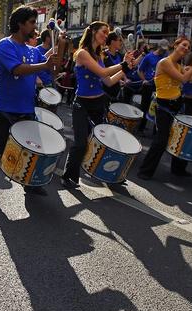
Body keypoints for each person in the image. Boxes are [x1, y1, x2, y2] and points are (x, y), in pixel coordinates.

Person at [0, 6, 56, 203]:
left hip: (27, 109)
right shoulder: (6, 45)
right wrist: (45, 64)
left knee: (33, 149)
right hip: (6, 109)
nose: (33, 26)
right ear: (20, 24)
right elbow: (19, 69)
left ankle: (31, 185)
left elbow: (51, 66)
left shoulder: (32, 50)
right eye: (31, 22)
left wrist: (60, 45)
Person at [59, 21, 133, 189]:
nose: (106, 36)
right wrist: (123, 64)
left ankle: (110, 174)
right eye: (104, 32)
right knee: (80, 143)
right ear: (93, 31)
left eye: (108, 33)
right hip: (82, 103)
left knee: (106, 140)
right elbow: (102, 72)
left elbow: (107, 81)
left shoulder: (99, 55)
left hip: (98, 103)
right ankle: (68, 175)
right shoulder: (82, 53)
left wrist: (126, 69)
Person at [136, 37, 192, 180]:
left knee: (181, 137)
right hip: (163, 107)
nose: (186, 48)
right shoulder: (164, 62)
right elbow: (183, 79)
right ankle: (144, 171)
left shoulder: (179, 66)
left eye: (188, 47)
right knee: (161, 141)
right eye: (184, 45)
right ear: (175, 45)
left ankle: (178, 169)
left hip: (177, 105)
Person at [136, 39, 169, 134]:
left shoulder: (165, 58)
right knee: (145, 107)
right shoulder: (148, 57)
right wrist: (144, 80)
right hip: (148, 86)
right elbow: (140, 70)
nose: (164, 51)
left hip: (159, 87)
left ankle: (155, 131)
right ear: (159, 47)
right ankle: (140, 129)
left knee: (158, 109)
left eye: (165, 50)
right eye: (162, 49)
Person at [103, 31, 124, 101]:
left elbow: (126, 68)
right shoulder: (103, 55)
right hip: (105, 91)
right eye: (119, 40)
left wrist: (143, 55)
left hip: (116, 91)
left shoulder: (120, 55)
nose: (121, 43)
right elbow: (104, 73)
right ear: (112, 42)